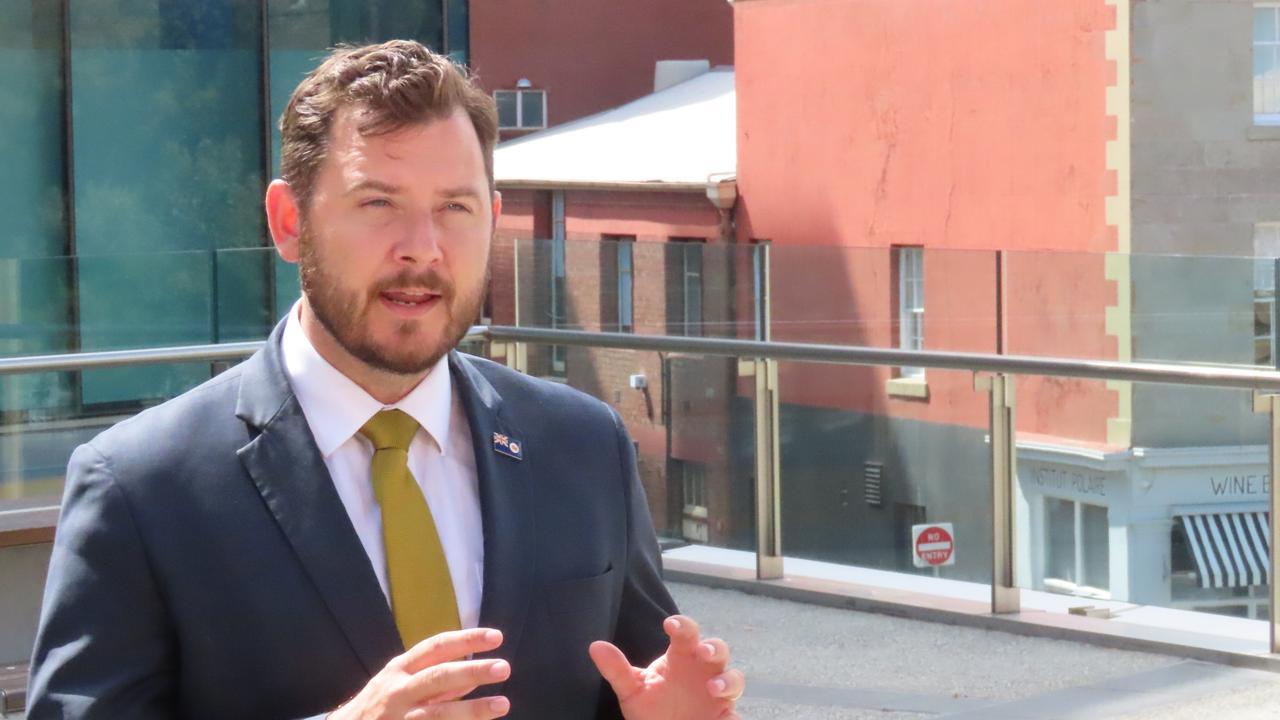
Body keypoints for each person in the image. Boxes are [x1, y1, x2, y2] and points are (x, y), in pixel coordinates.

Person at [27, 40, 744, 720]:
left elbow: (633, 680)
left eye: (454, 209)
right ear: (289, 222)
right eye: (378, 204)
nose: (422, 249)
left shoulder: (584, 444)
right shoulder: (140, 487)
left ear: (492, 222)